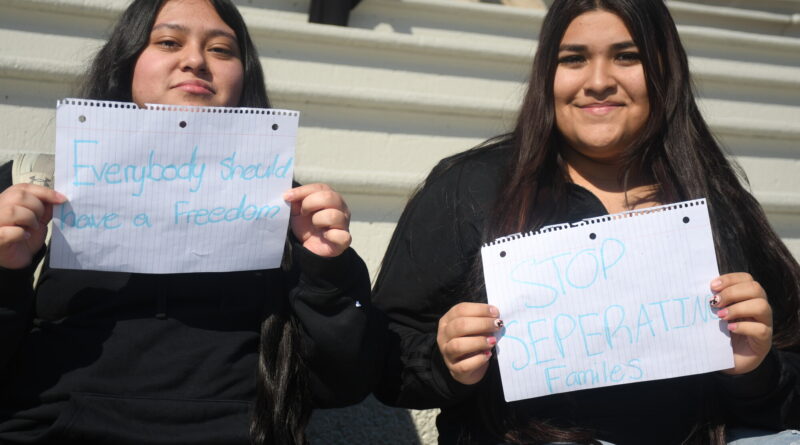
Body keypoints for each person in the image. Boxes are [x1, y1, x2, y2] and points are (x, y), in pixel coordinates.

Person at [371, 0, 800, 444]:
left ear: (663, 70)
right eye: (573, 59)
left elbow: (790, 379)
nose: (598, 82)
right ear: (546, 76)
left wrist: (755, 369)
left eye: (627, 56)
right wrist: (446, 362)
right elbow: (385, 360)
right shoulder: (470, 188)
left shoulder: (718, 202)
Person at [0, 0, 378, 443]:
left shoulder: (289, 209)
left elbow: (344, 383)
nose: (195, 60)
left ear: (244, 76)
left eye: (221, 50)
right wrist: (6, 272)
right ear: (126, 61)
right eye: (167, 42)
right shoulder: (30, 189)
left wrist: (327, 272)